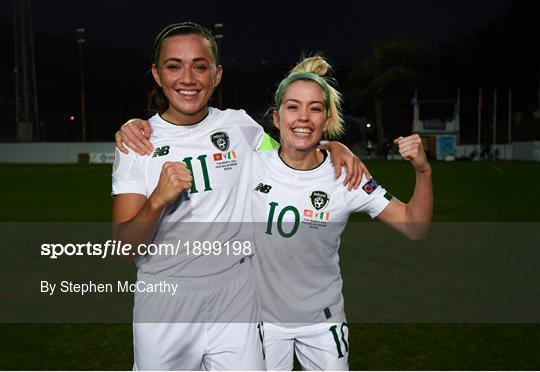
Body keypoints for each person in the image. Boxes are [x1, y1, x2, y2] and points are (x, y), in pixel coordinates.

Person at [111, 22, 367, 370]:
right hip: (165, 301)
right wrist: (157, 199)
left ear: (216, 75)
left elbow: (291, 155)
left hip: (236, 296)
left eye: (199, 66)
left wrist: (331, 144)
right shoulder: (136, 144)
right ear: (157, 74)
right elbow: (125, 249)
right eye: (174, 66)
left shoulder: (239, 127)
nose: (188, 78)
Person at [250, 56, 433, 370]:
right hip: (260, 322)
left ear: (326, 119)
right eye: (293, 107)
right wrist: (135, 126)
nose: (303, 118)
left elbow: (414, 228)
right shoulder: (250, 164)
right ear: (276, 118)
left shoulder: (347, 176)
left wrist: (423, 171)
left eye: (315, 109)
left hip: (323, 322)